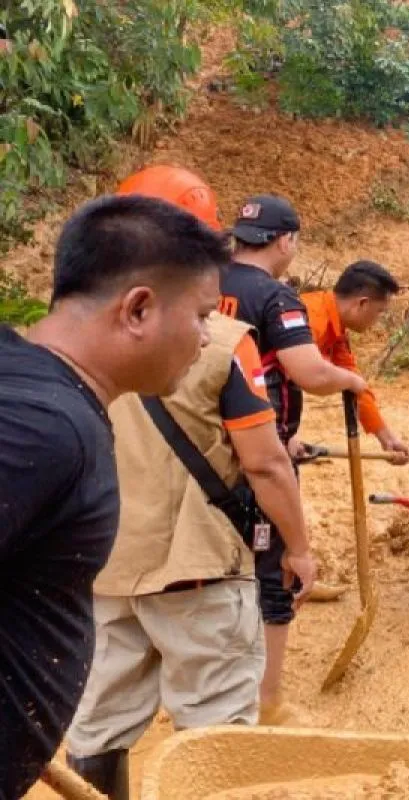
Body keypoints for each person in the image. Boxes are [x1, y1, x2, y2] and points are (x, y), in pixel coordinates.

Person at [60, 170, 317, 799]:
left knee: (98, 728)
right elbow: (264, 463)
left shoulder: (72, 340)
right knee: (218, 727)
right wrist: (300, 546)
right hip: (196, 568)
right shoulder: (223, 343)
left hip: (105, 569)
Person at [0, 195, 229, 799]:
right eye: (203, 315)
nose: (207, 338)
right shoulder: (46, 427)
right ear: (138, 310)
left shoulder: (33, 388)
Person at [218, 194, 366, 724]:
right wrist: (350, 379)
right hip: (257, 452)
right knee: (280, 568)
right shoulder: (276, 297)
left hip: (203, 452)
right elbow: (308, 370)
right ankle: (269, 700)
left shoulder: (205, 284)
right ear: (285, 241)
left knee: (219, 567)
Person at [293, 260, 409, 464]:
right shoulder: (311, 318)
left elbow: (357, 386)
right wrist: (283, 434)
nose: (378, 320)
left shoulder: (336, 329)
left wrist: (387, 439)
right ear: (362, 303)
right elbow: (271, 372)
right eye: (380, 311)